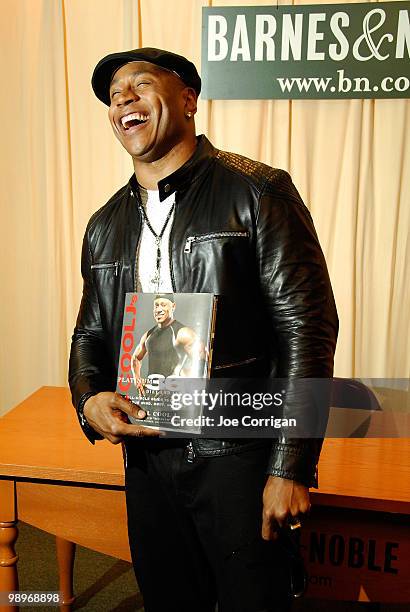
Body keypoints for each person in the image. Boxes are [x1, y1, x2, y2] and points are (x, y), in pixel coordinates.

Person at [69, 47, 338, 612]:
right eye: (115, 93)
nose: (123, 97)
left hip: (237, 452)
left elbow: (307, 329)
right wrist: (89, 398)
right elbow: (90, 332)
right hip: (145, 460)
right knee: (169, 600)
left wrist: (292, 465)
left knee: (254, 601)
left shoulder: (258, 191)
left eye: (141, 84)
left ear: (188, 100)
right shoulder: (105, 223)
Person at [131, 294, 207, 391]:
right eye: (156, 305)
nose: (158, 309)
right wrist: (137, 379)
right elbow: (136, 358)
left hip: (175, 397)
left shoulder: (183, 333)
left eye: (163, 305)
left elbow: (203, 359)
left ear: (173, 306)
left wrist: (187, 382)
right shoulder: (148, 335)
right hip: (152, 395)